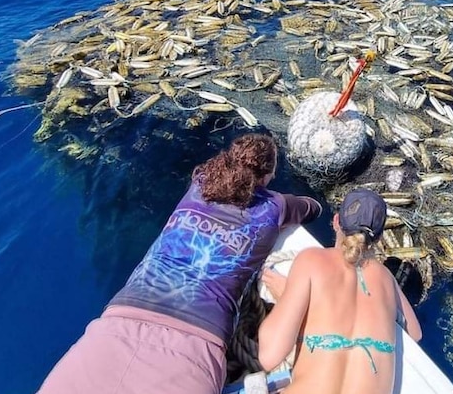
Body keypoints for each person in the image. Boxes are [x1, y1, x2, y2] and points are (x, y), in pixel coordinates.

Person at [38, 133, 322, 394]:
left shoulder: (200, 182)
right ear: (269, 174)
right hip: (196, 342)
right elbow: (312, 208)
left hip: (119, 319)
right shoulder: (275, 206)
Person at [257, 188, 422, 394]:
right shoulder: (388, 279)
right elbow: (414, 334)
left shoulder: (311, 260)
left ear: (336, 221)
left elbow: (269, 355)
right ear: (378, 238)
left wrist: (286, 300)